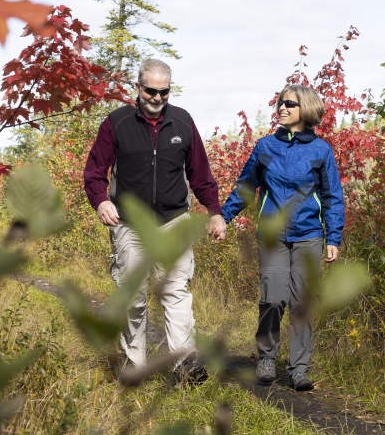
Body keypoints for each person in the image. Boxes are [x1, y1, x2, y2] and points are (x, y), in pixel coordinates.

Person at [84, 59, 227, 382]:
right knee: (133, 297)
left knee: (175, 291)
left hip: (173, 220)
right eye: (151, 91)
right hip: (129, 224)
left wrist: (214, 211)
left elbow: (200, 175)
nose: (157, 98)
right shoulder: (116, 124)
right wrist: (101, 201)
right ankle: (135, 365)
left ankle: (186, 365)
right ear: (138, 88)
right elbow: (94, 173)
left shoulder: (183, 123)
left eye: (164, 92)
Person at [220, 84, 344, 391]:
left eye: (289, 104)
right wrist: (222, 217)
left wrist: (333, 237)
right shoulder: (265, 147)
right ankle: (266, 359)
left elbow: (332, 197)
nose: (282, 108)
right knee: (272, 299)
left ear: (307, 109)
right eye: (280, 103)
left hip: (309, 236)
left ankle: (299, 368)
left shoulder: (321, 151)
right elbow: (246, 188)